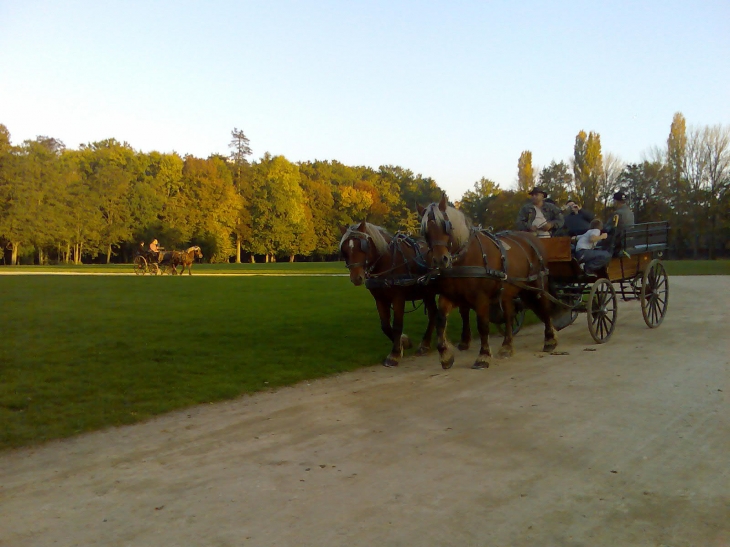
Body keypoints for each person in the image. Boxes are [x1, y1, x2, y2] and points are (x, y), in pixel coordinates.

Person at [600, 191, 635, 256]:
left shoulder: (617, 213)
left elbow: (608, 228)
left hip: (619, 242)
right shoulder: (630, 212)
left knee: (598, 243)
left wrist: (599, 229)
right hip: (629, 240)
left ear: (616, 202)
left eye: (614, 201)